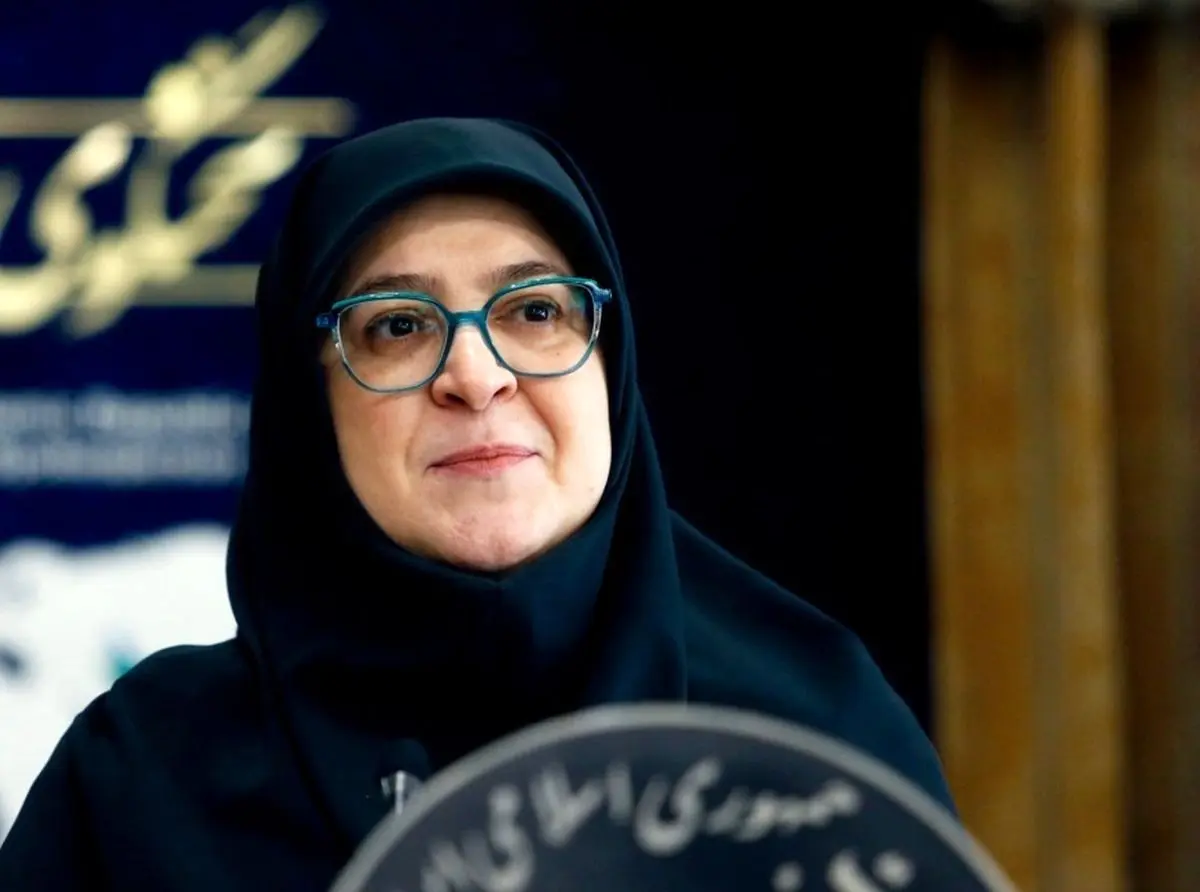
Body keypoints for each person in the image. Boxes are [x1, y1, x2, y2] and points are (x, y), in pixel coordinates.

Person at [0, 118, 954, 891]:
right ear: (308, 407)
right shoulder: (144, 784)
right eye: (397, 326)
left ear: (611, 367)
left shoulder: (809, 739)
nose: (475, 374)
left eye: (535, 311)